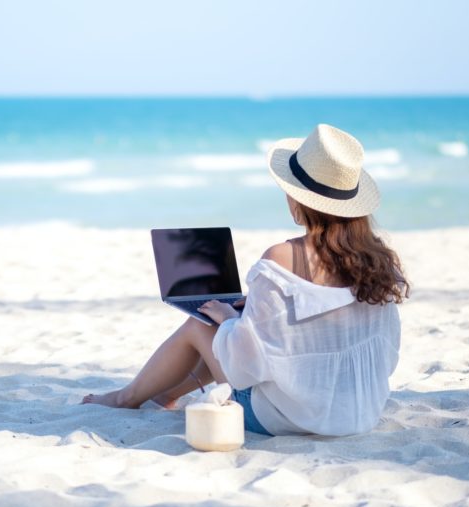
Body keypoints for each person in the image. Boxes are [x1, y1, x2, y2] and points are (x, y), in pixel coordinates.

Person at [82, 124, 409, 437]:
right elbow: (384, 351)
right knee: (234, 327)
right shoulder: (377, 260)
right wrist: (248, 316)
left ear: (300, 200)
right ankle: (165, 395)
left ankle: (126, 398)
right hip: (359, 411)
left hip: (292, 419)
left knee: (205, 327)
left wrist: (228, 319)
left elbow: (246, 367)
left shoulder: (282, 258)